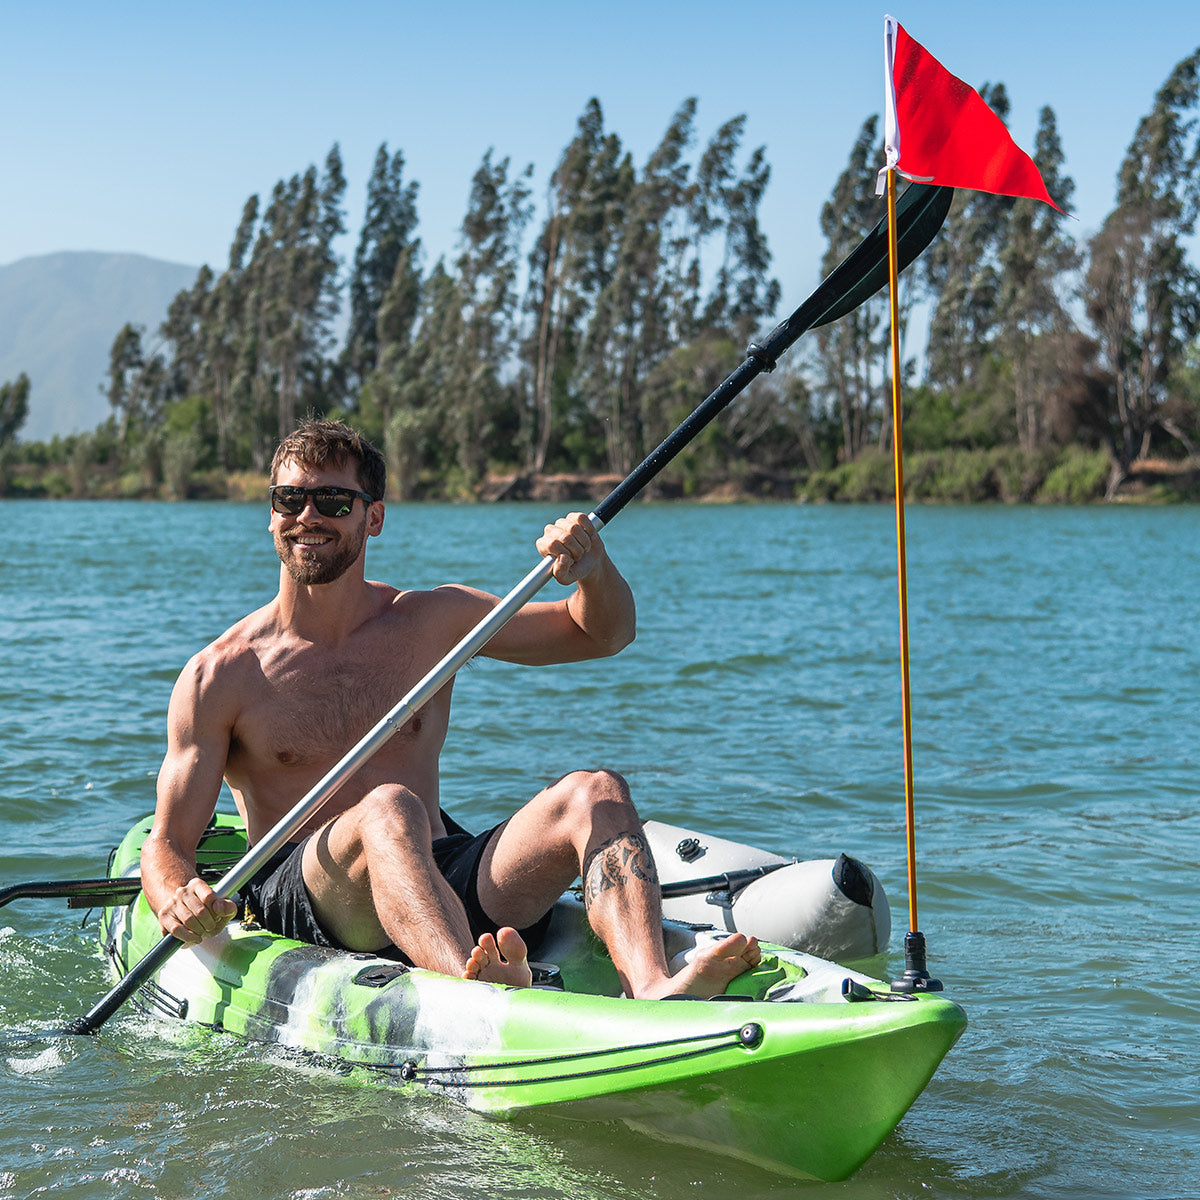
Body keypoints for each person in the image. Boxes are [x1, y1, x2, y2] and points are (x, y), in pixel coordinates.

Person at [141, 418, 759, 998]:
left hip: (440, 872)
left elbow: (603, 635)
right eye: (290, 500)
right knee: (387, 806)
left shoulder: (434, 622)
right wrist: (175, 895)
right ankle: (476, 994)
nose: (308, 517)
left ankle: (651, 984)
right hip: (315, 901)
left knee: (595, 791)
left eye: (333, 502)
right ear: (271, 514)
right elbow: (168, 840)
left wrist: (593, 570)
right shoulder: (220, 675)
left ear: (372, 517)